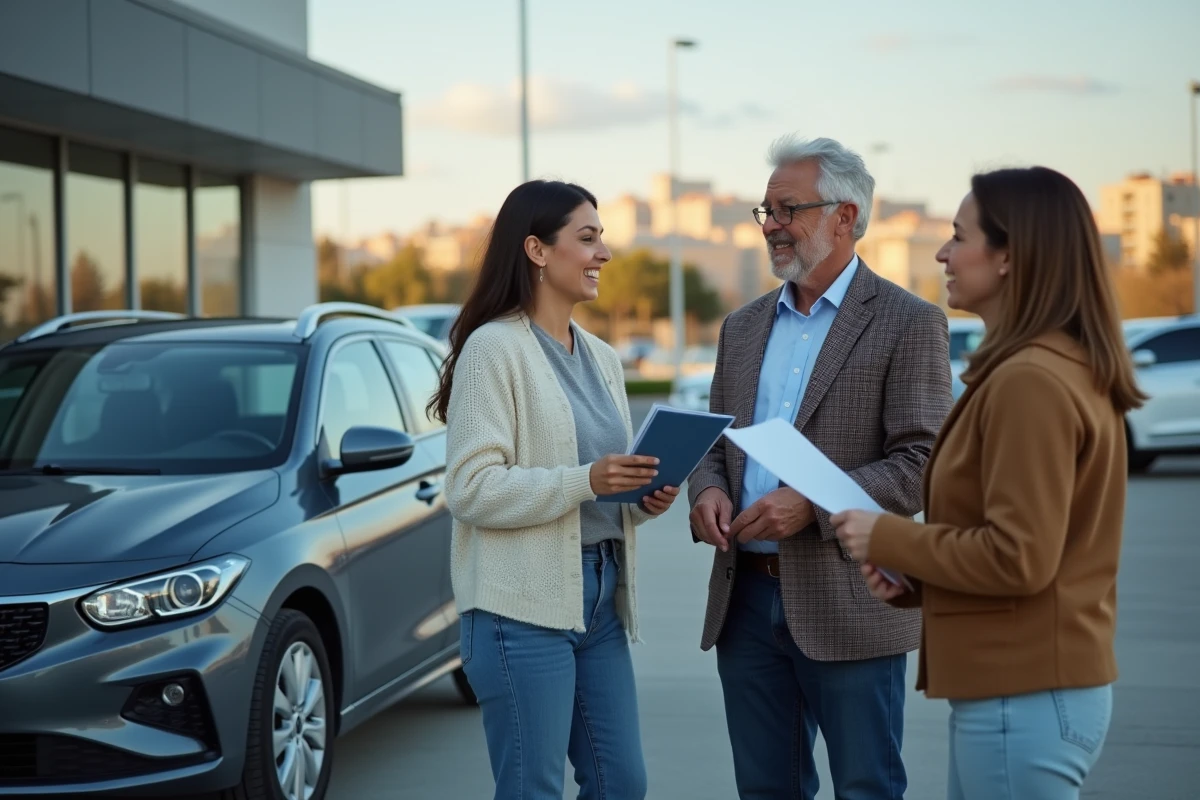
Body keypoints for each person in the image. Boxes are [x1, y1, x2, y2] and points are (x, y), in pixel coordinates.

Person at [832, 165, 1144, 800]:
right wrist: (917, 579)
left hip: (1023, 694)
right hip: (1023, 692)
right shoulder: (1049, 367)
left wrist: (888, 538)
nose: (943, 253)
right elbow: (1031, 546)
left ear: (1008, 257)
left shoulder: (1031, 380)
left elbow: (1019, 557)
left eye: (959, 235)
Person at [687, 134, 953, 800]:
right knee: (765, 790)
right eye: (766, 210)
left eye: (788, 209)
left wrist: (812, 505)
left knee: (867, 787)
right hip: (745, 598)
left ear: (845, 217)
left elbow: (923, 463)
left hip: (852, 598)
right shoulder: (741, 327)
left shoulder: (908, 322)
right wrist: (708, 492)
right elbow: (716, 444)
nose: (772, 224)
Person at [432, 179, 679, 800]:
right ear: (538, 250)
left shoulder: (601, 357)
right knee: (530, 789)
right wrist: (586, 480)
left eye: (603, 238)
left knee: (621, 782)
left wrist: (640, 498)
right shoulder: (493, 349)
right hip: (518, 610)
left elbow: (596, 492)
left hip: (599, 599)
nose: (604, 254)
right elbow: (470, 488)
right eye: (588, 238)